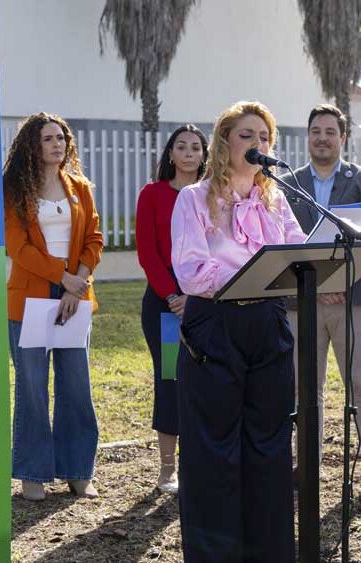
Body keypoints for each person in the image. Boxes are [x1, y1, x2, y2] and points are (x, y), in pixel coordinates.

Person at [171, 101, 306, 562]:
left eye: (265, 137)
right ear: (225, 141)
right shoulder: (193, 198)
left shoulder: (278, 198)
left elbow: (298, 253)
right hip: (215, 325)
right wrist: (244, 275)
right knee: (213, 451)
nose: (258, 145)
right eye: (248, 135)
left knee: (269, 446)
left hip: (268, 324)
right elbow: (190, 269)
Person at [281, 104, 361, 496]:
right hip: (304, 302)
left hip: (355, 298)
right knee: (305, 387)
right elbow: (282, 240)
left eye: (330, 131)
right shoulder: (287, 184)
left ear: (343, 137)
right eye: (315, 130)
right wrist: (317, 285)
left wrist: (343, 279)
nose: (322, 138)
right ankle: (307, 466)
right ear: (308, 136)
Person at [3, 112, 104, 501]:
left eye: (61, 138)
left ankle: (78, 470)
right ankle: (32, 472)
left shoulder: (79, 186)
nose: (57, 144)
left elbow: (94, 238)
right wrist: (62, 277)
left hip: (74, 297)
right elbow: (18, 247)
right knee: (32, 389)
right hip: (28, 298)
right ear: (33, 144)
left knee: (76, 385)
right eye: (48, 139)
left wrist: (75, 286)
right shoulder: (15, 189)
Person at [136, 124, 208, 493]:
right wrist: (174, 297)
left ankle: (201, 462)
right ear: (170, 154)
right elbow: (148, 253)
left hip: (206, 303)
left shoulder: (211, 195)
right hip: (166, 307)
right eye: (181, 146)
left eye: (196, 147)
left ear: (204, 154)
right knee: (170, 380)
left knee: (207, 383)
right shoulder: (152, 194)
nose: (189, 152)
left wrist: (194, 297)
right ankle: (168, 470)